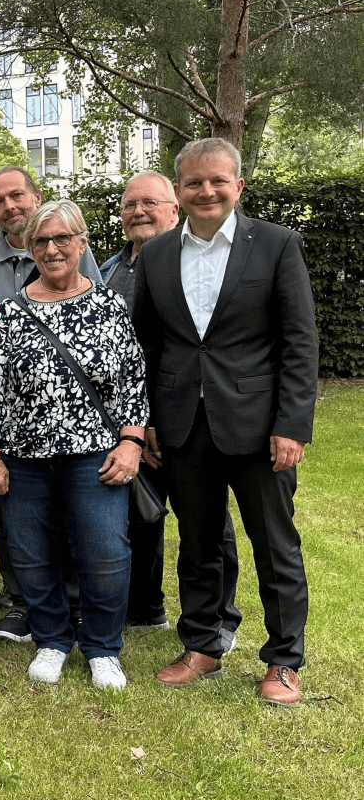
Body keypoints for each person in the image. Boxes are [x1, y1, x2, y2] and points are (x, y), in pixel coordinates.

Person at [134, 138, 317, 707]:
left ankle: (284, 659)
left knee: (274, 543)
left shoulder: (277, 246)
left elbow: (299, 342)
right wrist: (146, 422)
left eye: (217, 181)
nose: (206, 191)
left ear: (238, 186)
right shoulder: (158, 254)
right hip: (183, 425)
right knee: (198, 542)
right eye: (193, 183)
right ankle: (203, 645)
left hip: (260, 427)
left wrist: (292, 424)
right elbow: (146, 345)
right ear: (179, 191)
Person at [0, 200, 147, 690]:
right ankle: (51, 639)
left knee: (106, 552)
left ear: (81, 242)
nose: (52, 249)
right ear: (30, 249)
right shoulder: (10, 313)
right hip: (23, 458)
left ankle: (101, 647)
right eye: (41, 241)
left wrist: (131, 442)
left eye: (62, 239)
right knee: (30, 552)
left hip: (95, 453)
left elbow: (132, 381)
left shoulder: (108, 306)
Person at [0, 166, 104, 644]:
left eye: (16, 196)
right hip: (9, 419)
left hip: (74, 420)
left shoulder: (70, 247)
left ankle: (76, 602)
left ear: (35, 195)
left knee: (74, 515)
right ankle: (21, 602)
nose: (9, 207)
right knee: (13, 516)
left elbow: (99, 320)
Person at [101, 171, 241, 638]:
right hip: (124, 421)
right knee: (137, 515)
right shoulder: (107, 271)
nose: (137, 211)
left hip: (187, 417)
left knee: (206, 523)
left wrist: (157, 418)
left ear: (174, 208)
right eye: (129, 205)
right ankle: (144, 607)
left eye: (149, 203)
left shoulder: (194, 262)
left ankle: (218, 620)